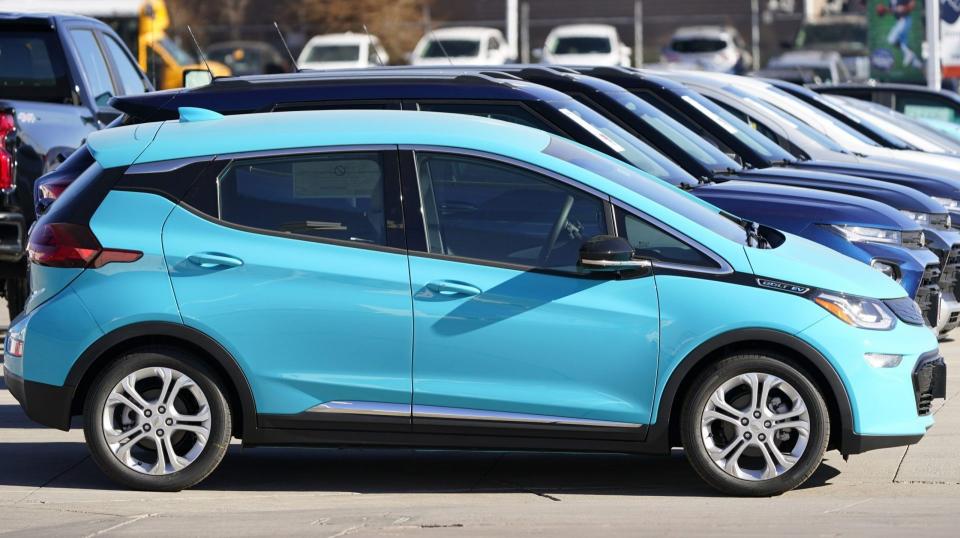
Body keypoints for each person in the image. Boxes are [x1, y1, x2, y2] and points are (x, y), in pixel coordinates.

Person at [877, 0, 924, 69]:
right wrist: (885, 10)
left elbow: (912, 4)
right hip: (899, 21)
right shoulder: (891, 1)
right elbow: (893, 11)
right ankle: (917, 64)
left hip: (905, 19)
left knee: (891, 39)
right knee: (903, 44)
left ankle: (909, 53)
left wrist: (905, 8)